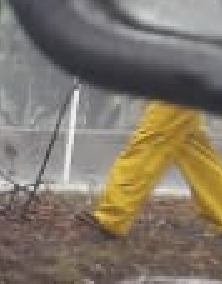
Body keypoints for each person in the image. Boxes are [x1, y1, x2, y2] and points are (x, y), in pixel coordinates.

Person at [77, 101, 222, 239]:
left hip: (180, 83)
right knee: (193, 149)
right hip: (184, 81)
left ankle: (114, 214)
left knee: (149, 142)